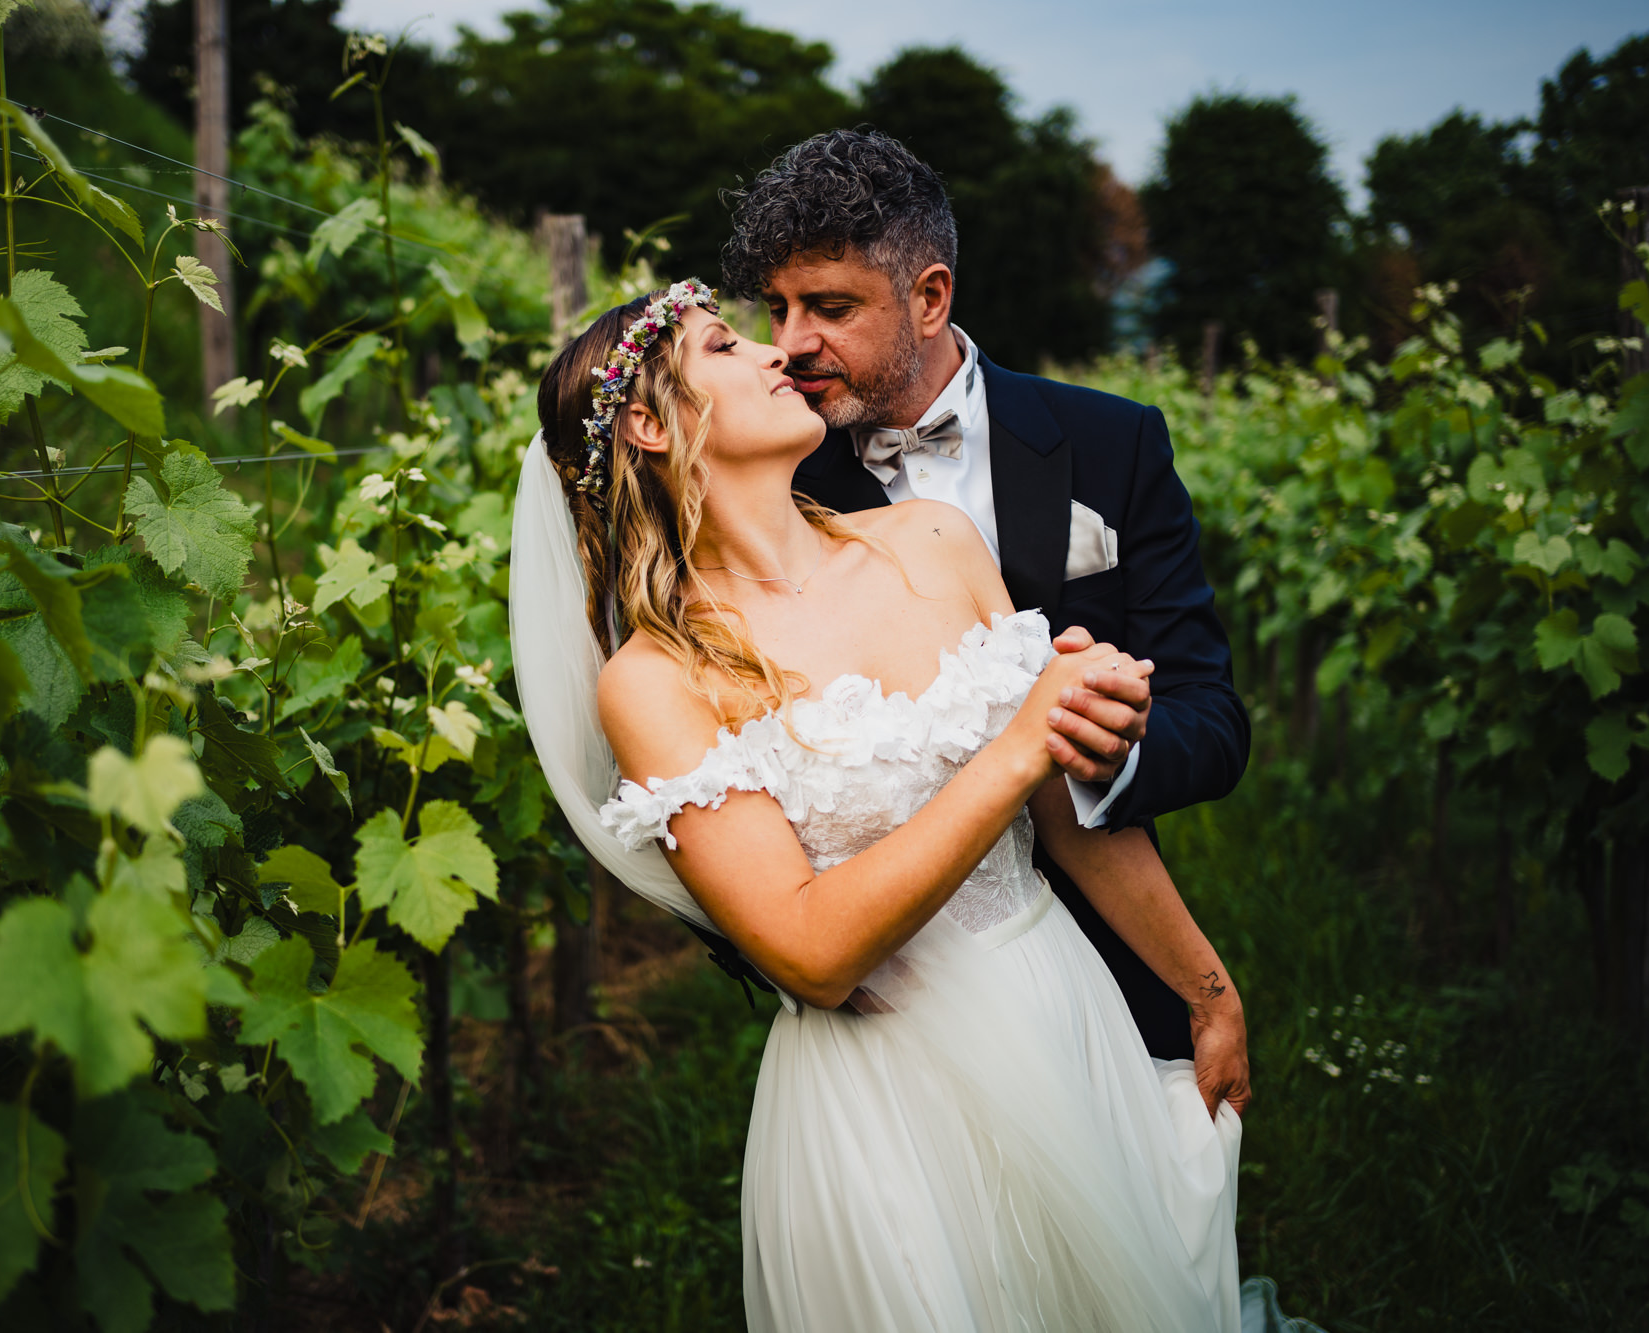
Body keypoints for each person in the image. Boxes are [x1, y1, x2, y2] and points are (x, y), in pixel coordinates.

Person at [509, 279, 1247, 1330]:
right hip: (885, 1091)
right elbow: (809, 952)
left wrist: (1204, 988)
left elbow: (1067, 815)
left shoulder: (934, 542)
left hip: (1058, 1005)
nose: (775, 353)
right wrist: (1018, 745)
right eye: (725, 345)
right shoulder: (658, 678)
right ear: (644, 422)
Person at [719, 130, 1252, 1064]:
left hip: (1117, 947)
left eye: (830, 307)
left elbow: (1213, 716)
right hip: (892, 997)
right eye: (777, 307)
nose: (791, 345)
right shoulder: (773, 482)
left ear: (930, 297)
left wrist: (1111, 747)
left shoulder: (1113, 443)